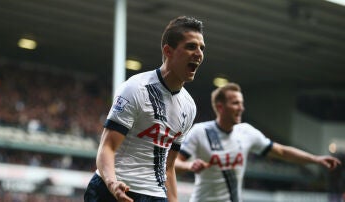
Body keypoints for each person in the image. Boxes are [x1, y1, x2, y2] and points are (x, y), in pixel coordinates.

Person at [84, 16, 205, 202]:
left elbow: (168, 166)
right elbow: (107, 146)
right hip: (113, 190)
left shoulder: (189, 107)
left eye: (201, 48)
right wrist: (112, 183)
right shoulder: (136, 88)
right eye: (191, 46)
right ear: (168, 51)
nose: (199, 53)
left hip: (155, 195)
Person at [175, 82, 341, 202]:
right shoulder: (200, 131)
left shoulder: (246, 132)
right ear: (220, 107)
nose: (241, 108)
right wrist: (189, 166)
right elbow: (174, 164)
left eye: (241, 103)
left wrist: (315, 159)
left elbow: (282, 152)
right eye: (235, 103)